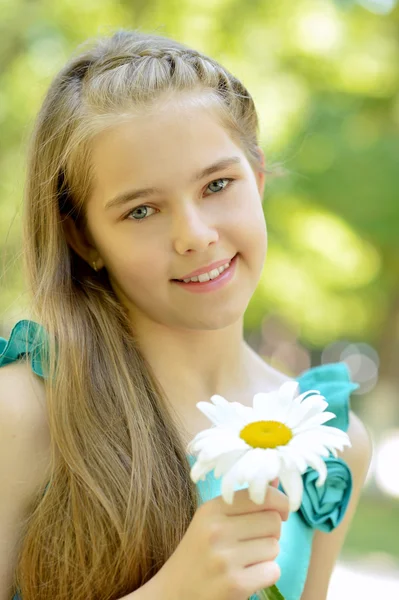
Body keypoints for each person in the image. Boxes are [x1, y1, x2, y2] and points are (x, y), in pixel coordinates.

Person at [0, 29, 372, 600]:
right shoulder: (27, 411)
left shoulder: (330, 441)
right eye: (142, 210)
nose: (195, 236)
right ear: (83, 238)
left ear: (259, 178)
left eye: (217, 184)